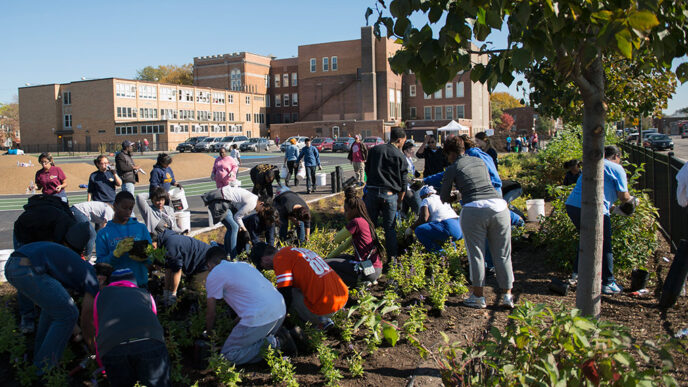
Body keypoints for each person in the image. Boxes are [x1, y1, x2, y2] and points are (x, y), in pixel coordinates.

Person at [440, 136, 515, 309]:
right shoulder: (479, 161)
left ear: (451, 153)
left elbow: (444, 197)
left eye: (447, 155)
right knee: (503, 254)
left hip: (474, 209)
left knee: (477, 255)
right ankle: (507, 296)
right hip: (499, 207)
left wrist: (457, 196)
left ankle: (478, 297)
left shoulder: (453, 167)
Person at [5, 242, 98, 372]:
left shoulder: (76, 271)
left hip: (15, 264)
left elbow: (63, 305)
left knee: (53, 312)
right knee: (69, 314)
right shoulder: (93, 278)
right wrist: (93, 347)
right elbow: (86, 318)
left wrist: (77, 332)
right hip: (28, 268)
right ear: (103, 279)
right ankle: (44, 368)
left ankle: (40, 357)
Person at [205, 246, 294, 364]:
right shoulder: (243, 265)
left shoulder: (214, 274)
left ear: (209, 265)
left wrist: (210, 334)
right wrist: (233, 327)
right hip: (279, 310)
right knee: (254, 343)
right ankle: (277, 342)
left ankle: (277, 342)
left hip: (261, 316)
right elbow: (249, 303)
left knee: (227, 356)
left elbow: (211, 313)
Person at [565, 145, 635, 294]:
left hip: (573, 206)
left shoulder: (595, 164)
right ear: (617, 156)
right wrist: (633, 201)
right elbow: (624, 197)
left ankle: (578, 274)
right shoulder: (617, 168)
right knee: (604, 244)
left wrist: (614, 209)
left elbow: (599, 194)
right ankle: (608, 282)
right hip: (594, 209)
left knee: (587, 238)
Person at [93, 268, 170, 387]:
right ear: (134, 283)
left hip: (113, 347)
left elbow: (98, 329)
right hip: (149, 343)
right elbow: (153, 319)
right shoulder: (144, 293)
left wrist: (102, 365)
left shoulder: (101, 295)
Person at [250, 243, 348, 330]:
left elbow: (285, 294)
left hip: (326, 307)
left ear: (264, 259)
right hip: (342, 298)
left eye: (262, 266)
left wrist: (279, 320)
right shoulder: (296, 251)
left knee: (283, 292)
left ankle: (320, 321)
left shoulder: (279, 259)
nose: (266, 269)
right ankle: (327, 316)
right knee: (295, 285)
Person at [325, 187, 385, 287]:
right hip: (375, 268)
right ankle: (369, 280)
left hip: (367, 270)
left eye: (346, 210)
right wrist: (327, 257)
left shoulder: (356, 222)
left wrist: (325, 261)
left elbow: (337, 240)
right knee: (339, 257)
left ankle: (360, 282)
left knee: (328, 265)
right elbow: (344, 246)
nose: (345, 213)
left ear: (354, 210)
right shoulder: (365, 222)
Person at [364, 127, 408, 259]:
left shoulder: (375, 150)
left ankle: (369, 258)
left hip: (371, 192)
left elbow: (367, 169)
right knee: (390, 229)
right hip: (389, 195)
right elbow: (403, 185)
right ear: (399, 140)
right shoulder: (400, 156)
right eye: (403, 142)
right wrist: (399, 202)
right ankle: (392, 260)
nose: (403, 144)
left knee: (369, 227)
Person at [96, 191, 153, 288]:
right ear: (115, 206)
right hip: (116, 285)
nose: (128, 212)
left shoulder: (141, 228)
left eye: (130, 209)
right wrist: (115, 254)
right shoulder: (103, 233)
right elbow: (100, 264)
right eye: (124, 208)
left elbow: (151, 257)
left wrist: (144, 257)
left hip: (140, 283)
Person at [156, 229, 211, 306]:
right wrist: (166, 293)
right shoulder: (165, 243)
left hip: (207, 262)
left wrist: (172, 294)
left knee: (197, 290)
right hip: (198, 262)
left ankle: (204, 308)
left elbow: (177, 270)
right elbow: (168, 269)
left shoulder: (171, 245)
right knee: (188, 286)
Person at [411, 185, 463, 252]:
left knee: (419, 230)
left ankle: (440, 253)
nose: (421, 199)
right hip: (459, 226)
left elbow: (424, 218)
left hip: (449, 226)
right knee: (447, 237)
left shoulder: (426, 199)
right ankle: (453, 253)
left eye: (421, 198)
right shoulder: (441, 198)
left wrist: (411, 228)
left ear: (426, 195)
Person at [400, 141, 421, 217]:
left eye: (413, 149)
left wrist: (416, 173)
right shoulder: (404, 160)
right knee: (416, 205)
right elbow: (403, 174)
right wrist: (413, 182)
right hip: (406, 186)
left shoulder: (409, 159)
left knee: (405, 206)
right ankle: (416, 220)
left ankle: (403, 220)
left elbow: (410, 170)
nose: (413, 151)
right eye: (411, 149)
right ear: (405, 151)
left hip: (410, 185)